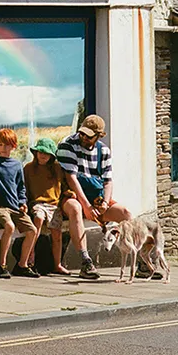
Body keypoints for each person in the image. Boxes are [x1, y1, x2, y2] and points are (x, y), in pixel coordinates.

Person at [56, 114, 131, 279]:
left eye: (88, 136)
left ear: (98, 136)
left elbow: (108, 181)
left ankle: (138, 259)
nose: (83, 137)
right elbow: (71, 178)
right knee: (75, 209)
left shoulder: (103, 151)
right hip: (72, 195)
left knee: (125, 213)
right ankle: (85, 261)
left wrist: (105, 202)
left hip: (96, 197)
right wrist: (86, 207)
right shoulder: (67, 145)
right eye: (82, 133)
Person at [0, 128, 39, 278]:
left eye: (8, 145)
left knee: (32, 230)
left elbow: (21, 186)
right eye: (1, 145)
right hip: (0, 206)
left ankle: (22, 265)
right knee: (9, 226)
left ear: (13, 146)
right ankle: (1, 264)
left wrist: (23, 202)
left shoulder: (16, 165)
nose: (4, 148)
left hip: (15, 206)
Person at [23, 137, 68, 274]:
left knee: (57, 235)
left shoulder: (57, 168)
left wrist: (69, 193)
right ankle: (31, 256)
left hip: (53, 205)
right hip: (37, 203)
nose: (42, 155)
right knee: (38, 218)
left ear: (52, 156)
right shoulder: (29, 168)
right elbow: (24, 188)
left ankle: (57, 264)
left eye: (46, 153)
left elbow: (63, 186)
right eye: (40, 152)